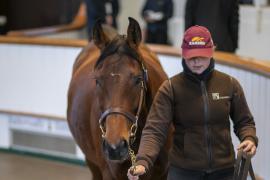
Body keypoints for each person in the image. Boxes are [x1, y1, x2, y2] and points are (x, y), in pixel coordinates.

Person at [127, 25, 258, 180]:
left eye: (202, 56)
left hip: (225, 171)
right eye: (191, 57)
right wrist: (143, 161)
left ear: (211, 51)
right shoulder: (170, 88)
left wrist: (249, 138)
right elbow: (154, 130)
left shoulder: (230, 84)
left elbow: (245, 122)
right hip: (183, 172)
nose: (196, 61)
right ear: (183, 55)